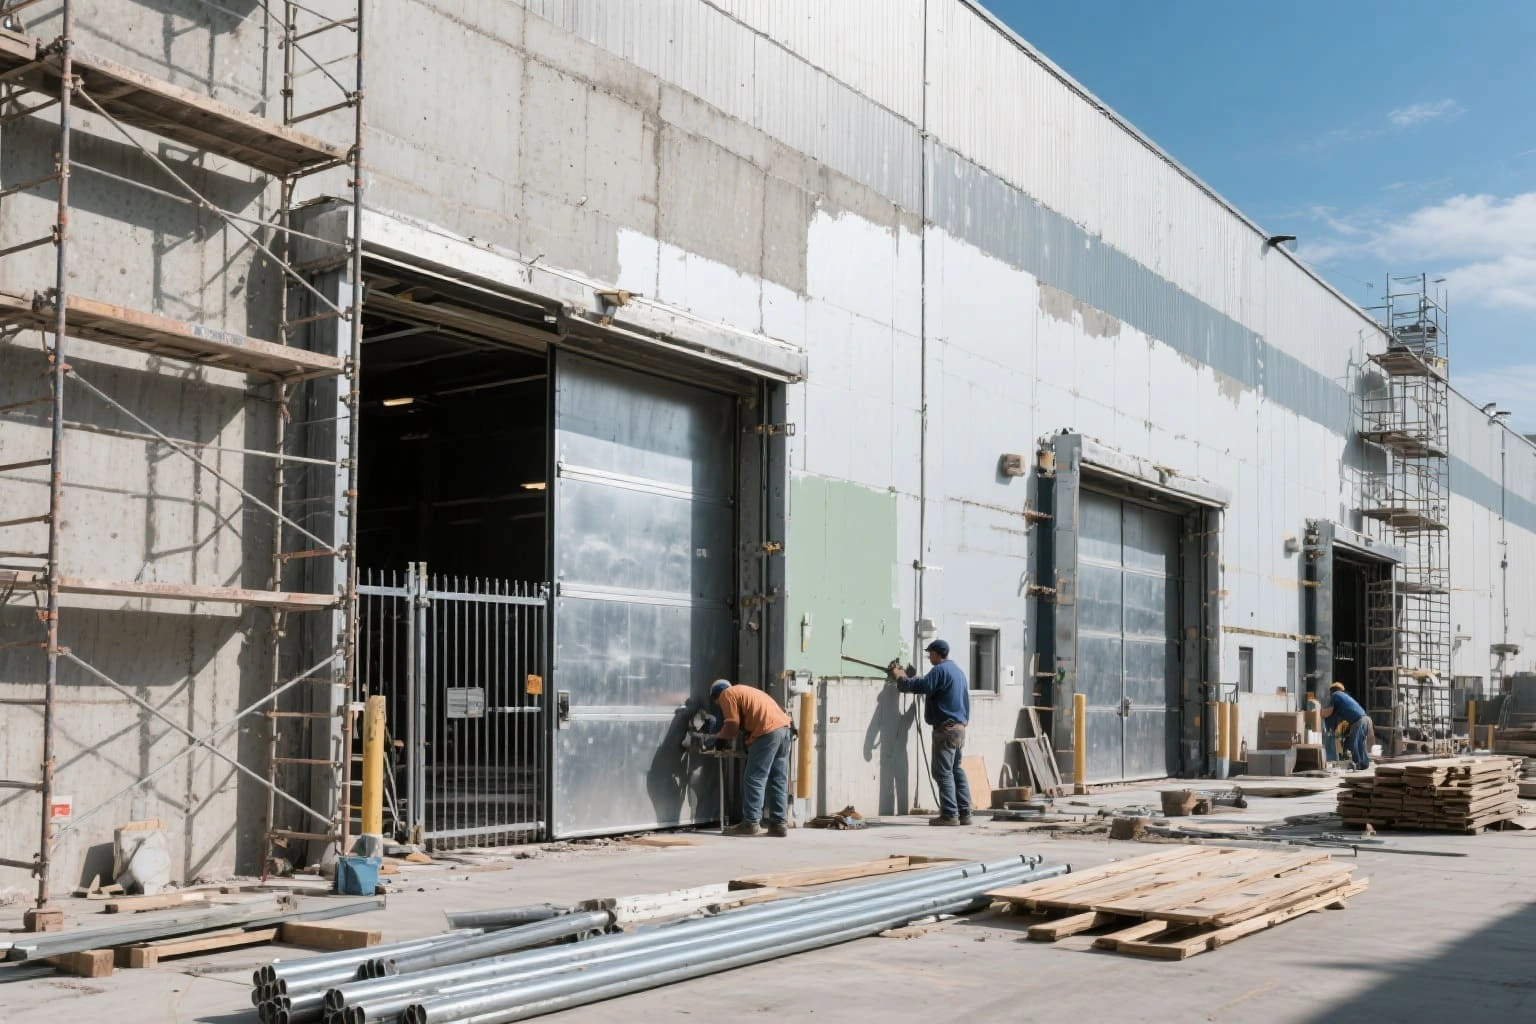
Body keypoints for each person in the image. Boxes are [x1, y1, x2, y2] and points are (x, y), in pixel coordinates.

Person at [889, 640, 972, 826]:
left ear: (937, 653)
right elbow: (965, 701)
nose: (928, 657)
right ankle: (965, 813)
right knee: (956, 770)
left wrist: (901, 680)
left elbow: (925, 686)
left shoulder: (940, 670)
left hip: (946, 729)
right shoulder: (958, 672)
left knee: (943, 773)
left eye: (930, 654)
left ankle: (950, 814)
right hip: (959, 728)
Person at [708, 680, 793, 837]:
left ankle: (751, 823)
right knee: (778, 779)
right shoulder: (746, 692)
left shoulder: (727, 694)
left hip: (767, 732)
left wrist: (716, 737)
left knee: (754, 777)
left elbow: (732, 724)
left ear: (716, 697)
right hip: (784, 730)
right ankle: (779, 824)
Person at [1320, 681, 1371, 769]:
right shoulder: (1345, 699)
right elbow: (1338, 718)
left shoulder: (1336, 695)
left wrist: (1320, 714)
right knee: (1360, 743)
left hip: (1358, 721)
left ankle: (1357, 763)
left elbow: (1329, 712)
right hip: (1365, 719)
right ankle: (1364, 763)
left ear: (1333, 690)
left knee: (1353, 743)